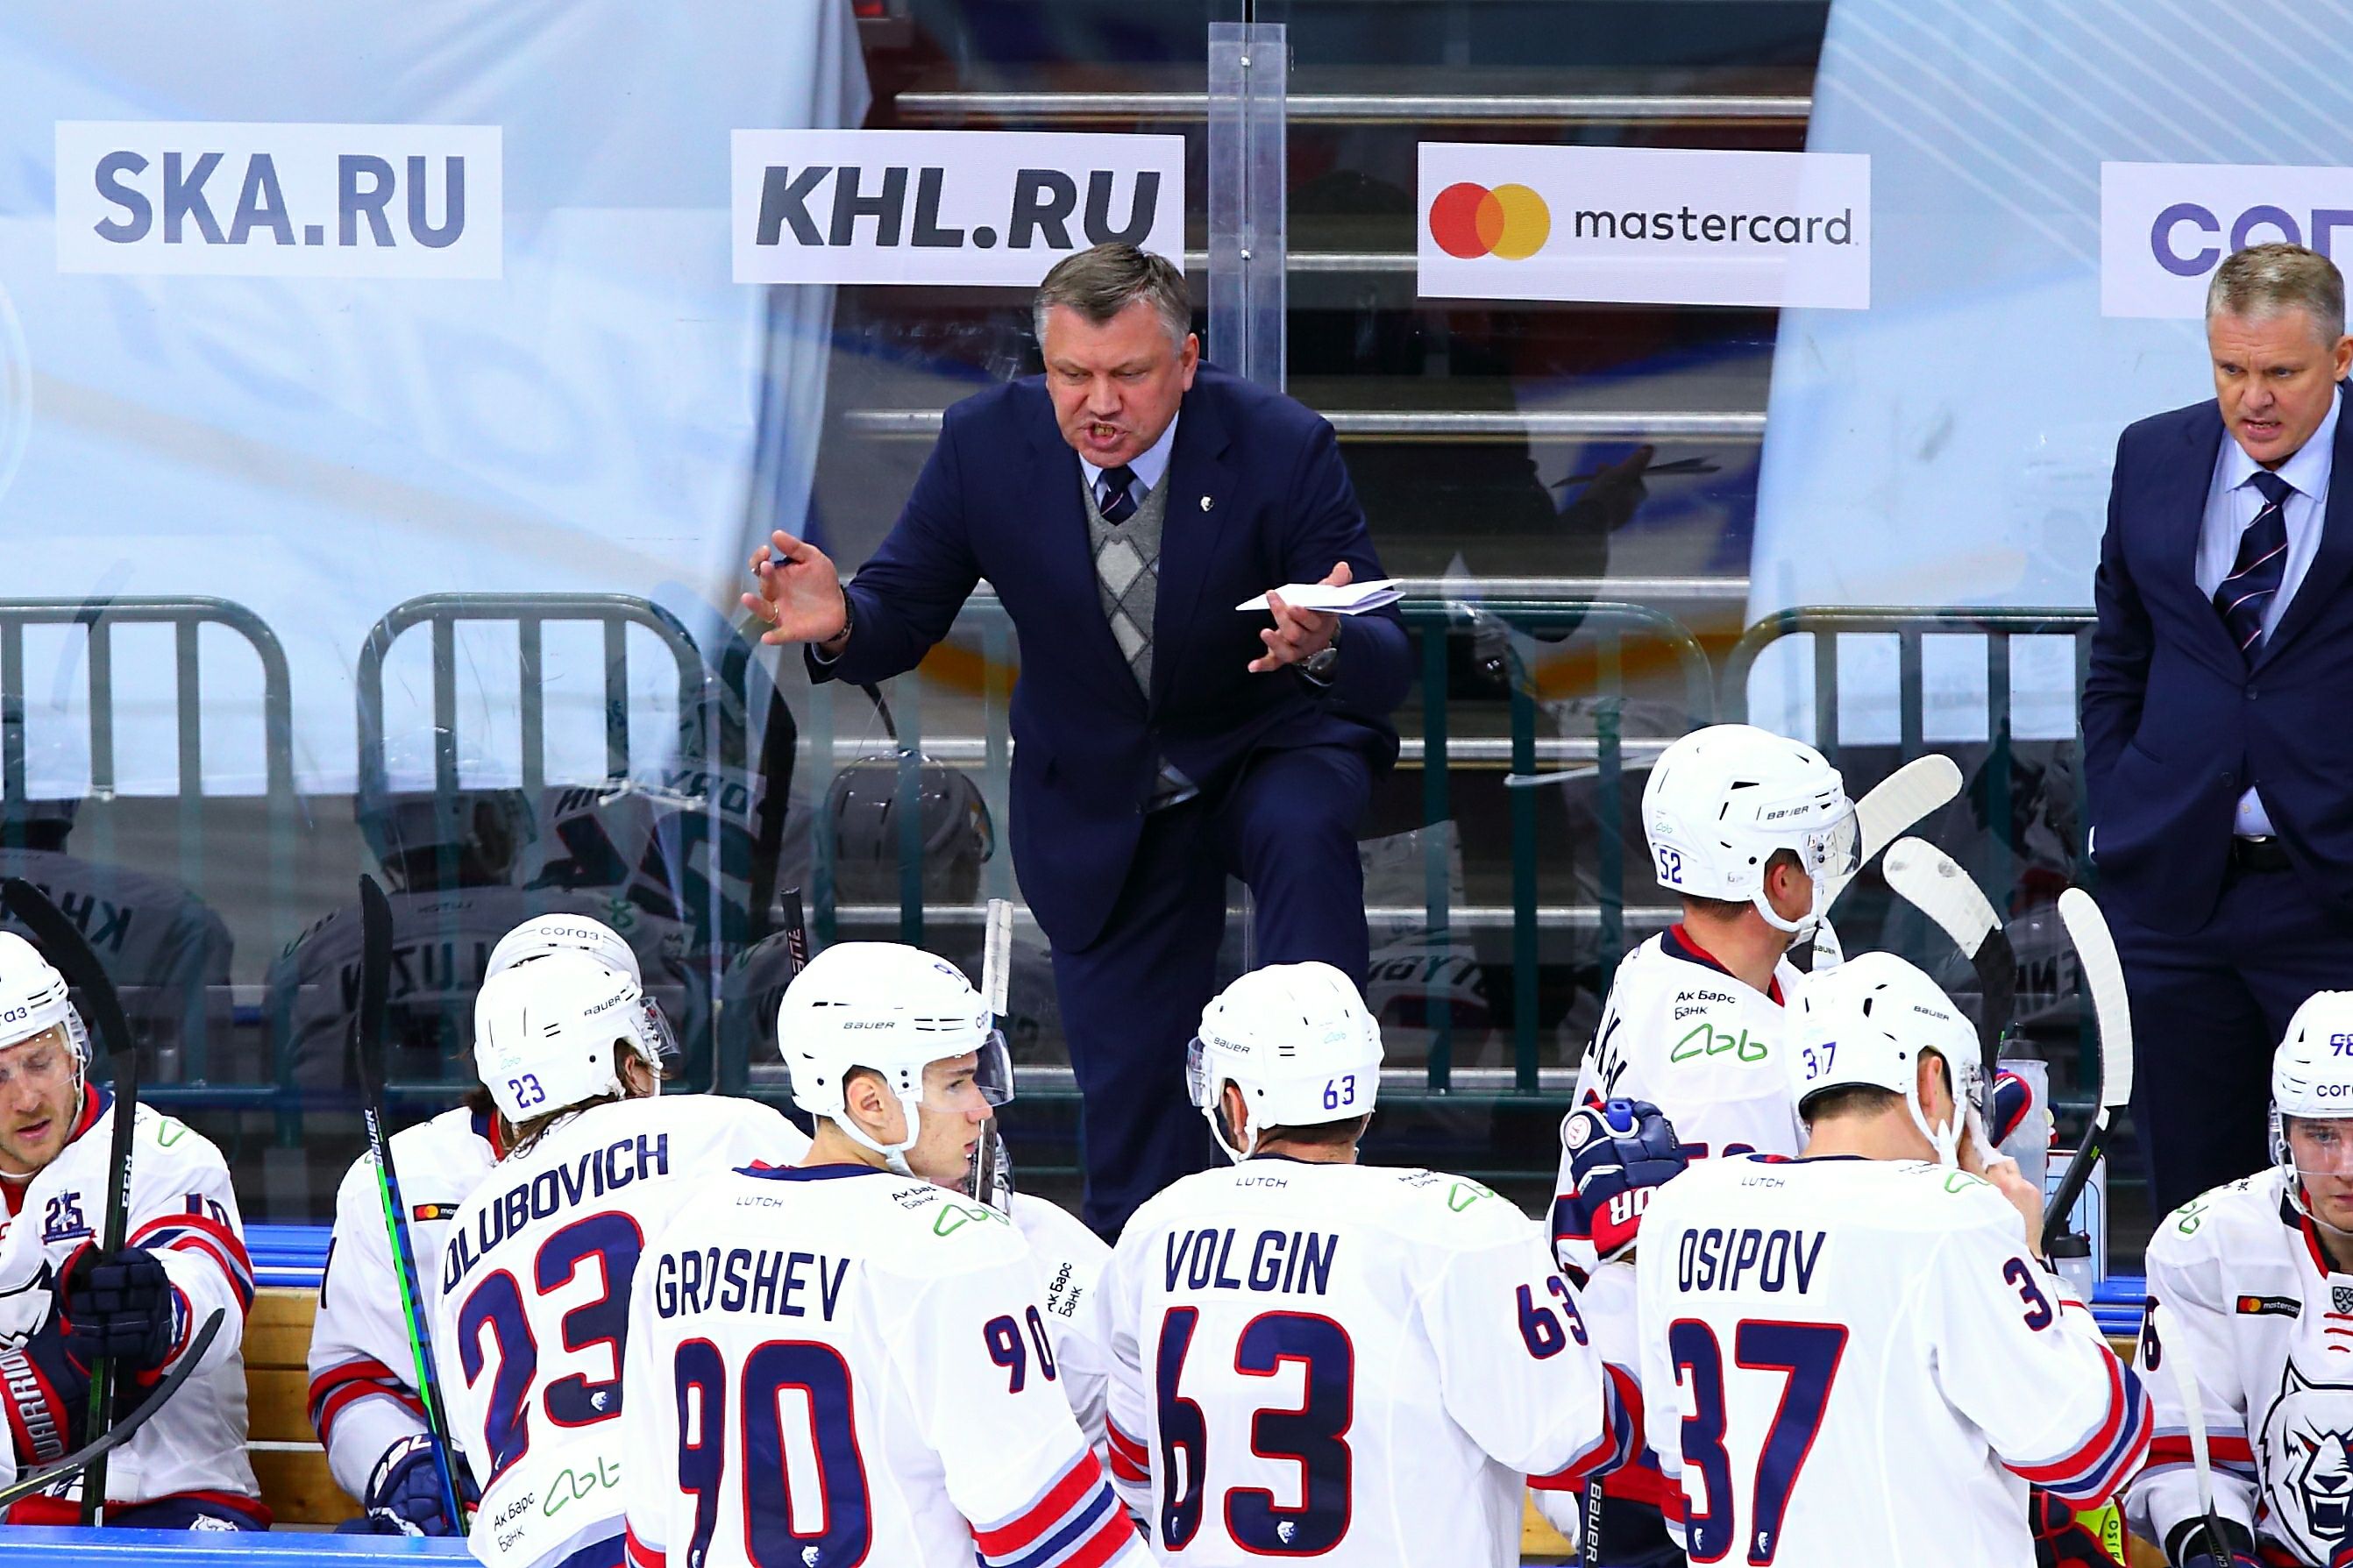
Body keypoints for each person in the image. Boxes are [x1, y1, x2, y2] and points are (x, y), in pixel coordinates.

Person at [742, 242, 1412, 1232]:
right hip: (1102, 791)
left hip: (1263, 746)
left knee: (1300, 830)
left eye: (1129, 374)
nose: (1099, 403)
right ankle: (1140, 1291)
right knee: (1132, 1110)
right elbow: (903, 605)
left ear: (1185, 361)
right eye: (1072, 374)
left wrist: (1325, 642)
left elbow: (1386, 650)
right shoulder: (985, 442)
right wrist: (841, 619)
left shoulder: (1280, 442)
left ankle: (1322, 1176)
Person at [619, 940, 1148, 1568]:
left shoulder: (682, 1238)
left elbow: (652, 1537)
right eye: (956, 1083)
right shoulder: (956, 1248)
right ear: (870, 1101)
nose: (981, 1108)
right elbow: (1054, 1539)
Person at [1094, 962, 1643, 1566]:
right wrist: (1623, 1265)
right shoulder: (1458, 1227)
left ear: (1237, 1102)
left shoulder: (1153, 1230)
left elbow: (1134, 1471)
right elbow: (1587, 1435)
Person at [1635, 952, 2150, 1566]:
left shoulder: (1681, 1210)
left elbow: (1679, 1496)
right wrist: (2031, 1256)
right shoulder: (1950, 1218)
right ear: (1931, 1081)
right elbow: (2099, 1449)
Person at [309, 914, 793, 1536]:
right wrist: (402, 1464)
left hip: (538, 1515)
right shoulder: (714, 1137)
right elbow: (355, 1373)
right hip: (682, 1496)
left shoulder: (476, 1211)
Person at [1539, 721, 1858, 1561]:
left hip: (1645, 1399)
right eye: (1818, 848)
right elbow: (1775, 1259)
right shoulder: (1729, 1065)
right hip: (1667, 1447)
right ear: (1777, 878)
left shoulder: (1669, 966)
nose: (1833, 865)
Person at [2084, 241, 2353, 1213]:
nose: (2253, 398)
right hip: (2173, 893)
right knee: (2190, 1207)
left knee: (2340, 1196)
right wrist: (2119, 805)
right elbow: (2118, 655)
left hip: (2334, 896)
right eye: (2230, 369)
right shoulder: (2151, 455)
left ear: (2341, 358)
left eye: (2280, 371)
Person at [430, 949, 801, 1568]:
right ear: (623, 1063)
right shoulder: (721, 1131)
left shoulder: (464, 1232)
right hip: (691, 1508)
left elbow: (473, 1439)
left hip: (531, 1542)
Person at [0, 931, 261, 1528]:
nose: (27, 1098)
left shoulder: (161, 1153)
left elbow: (209, 1285)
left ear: (75, 1050)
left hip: (172, 1506)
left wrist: (160, 1312)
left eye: (40, 1061)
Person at [2127, 990, 2353, 1568]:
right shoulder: (2208, 1244)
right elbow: (2189, 1457)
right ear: (2284, 1133)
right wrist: (2217, 1557)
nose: (2347, 1167)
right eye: (2323, 1135)